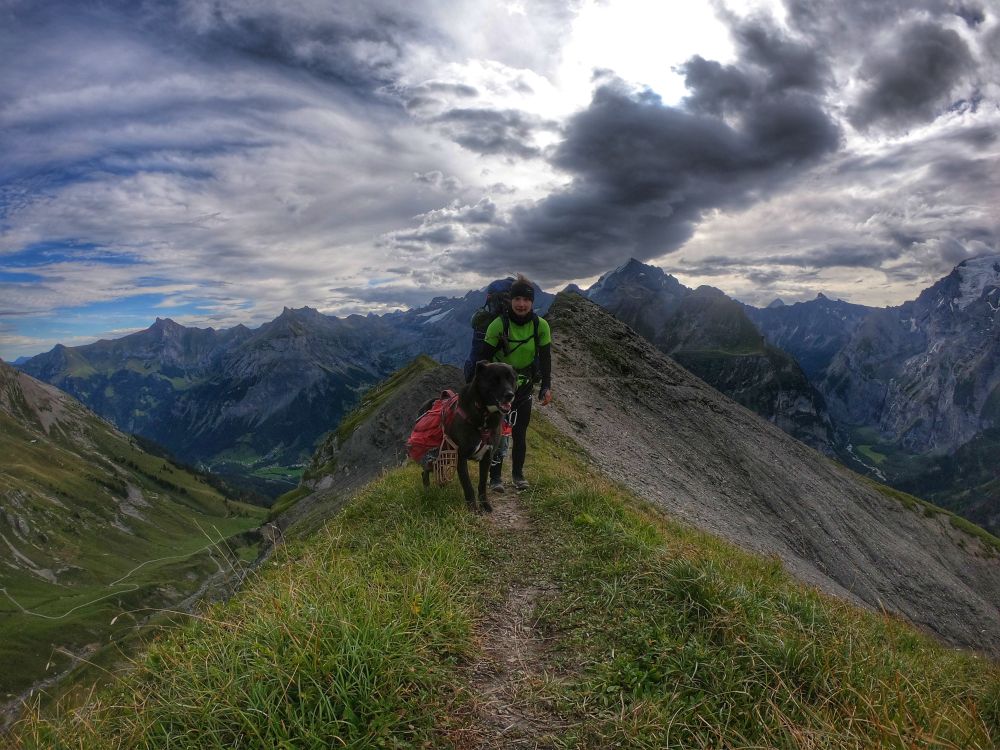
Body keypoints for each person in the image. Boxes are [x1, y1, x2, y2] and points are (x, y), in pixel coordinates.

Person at [479, 273, 552, 492]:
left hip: (524, 386)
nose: (521, 304)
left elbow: (546, 357)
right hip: (499, 390)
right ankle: (495, 479)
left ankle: (518, 476)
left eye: (526, 300)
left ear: (532, 302)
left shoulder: (541, 326)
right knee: (497, 432)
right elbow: (483, 359)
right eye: (517, 299)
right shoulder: (497, 325)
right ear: (511, 300)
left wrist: (546, 386)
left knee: (520, 432)